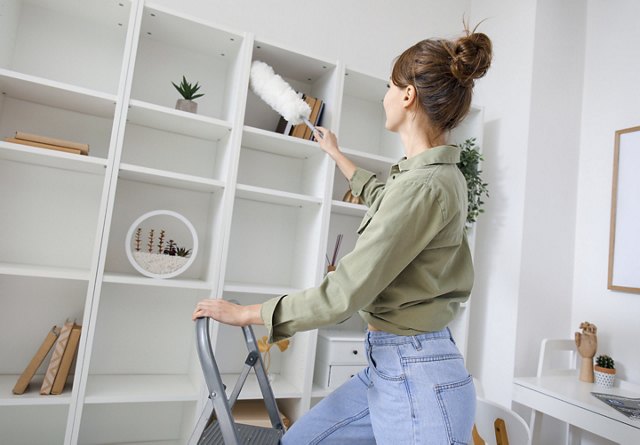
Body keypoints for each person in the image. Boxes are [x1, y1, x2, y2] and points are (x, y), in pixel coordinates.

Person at [193, 24, 492, 445]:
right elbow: (384, 197)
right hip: (389, 366)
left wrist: (247, 313)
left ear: (408, 96)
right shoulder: (428, 178)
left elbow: (341, 295)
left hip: (417, 376)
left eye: (390, 86)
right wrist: (336, 154)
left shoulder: (423, 186)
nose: (384, 96)